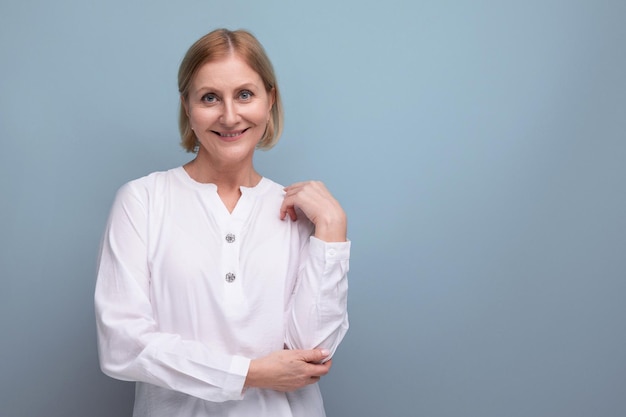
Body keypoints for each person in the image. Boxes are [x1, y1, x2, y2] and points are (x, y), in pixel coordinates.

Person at [94, 28, 350, 417]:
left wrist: (332, 230)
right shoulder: (143, 201)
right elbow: (123, 344)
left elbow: (312, 354)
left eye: (245, 94)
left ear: (270, 100)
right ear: (187, 106)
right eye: (210, 97)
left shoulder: (300, 214)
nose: (230, 116)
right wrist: (249, 373)